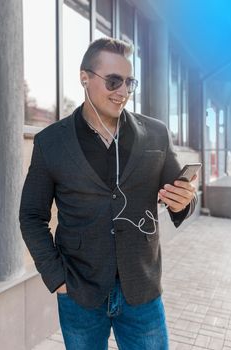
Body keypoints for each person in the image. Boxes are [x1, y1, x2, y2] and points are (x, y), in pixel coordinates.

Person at [19, 37, 197, 350]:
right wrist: (57, 278)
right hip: (79, 292)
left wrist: (185, 201)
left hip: (142, 290)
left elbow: (180, 195)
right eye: (113, 81)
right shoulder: (50, 142)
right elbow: (31, 216)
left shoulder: (156, 133)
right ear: (84, 77)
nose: (123, 91)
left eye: (130, 82)